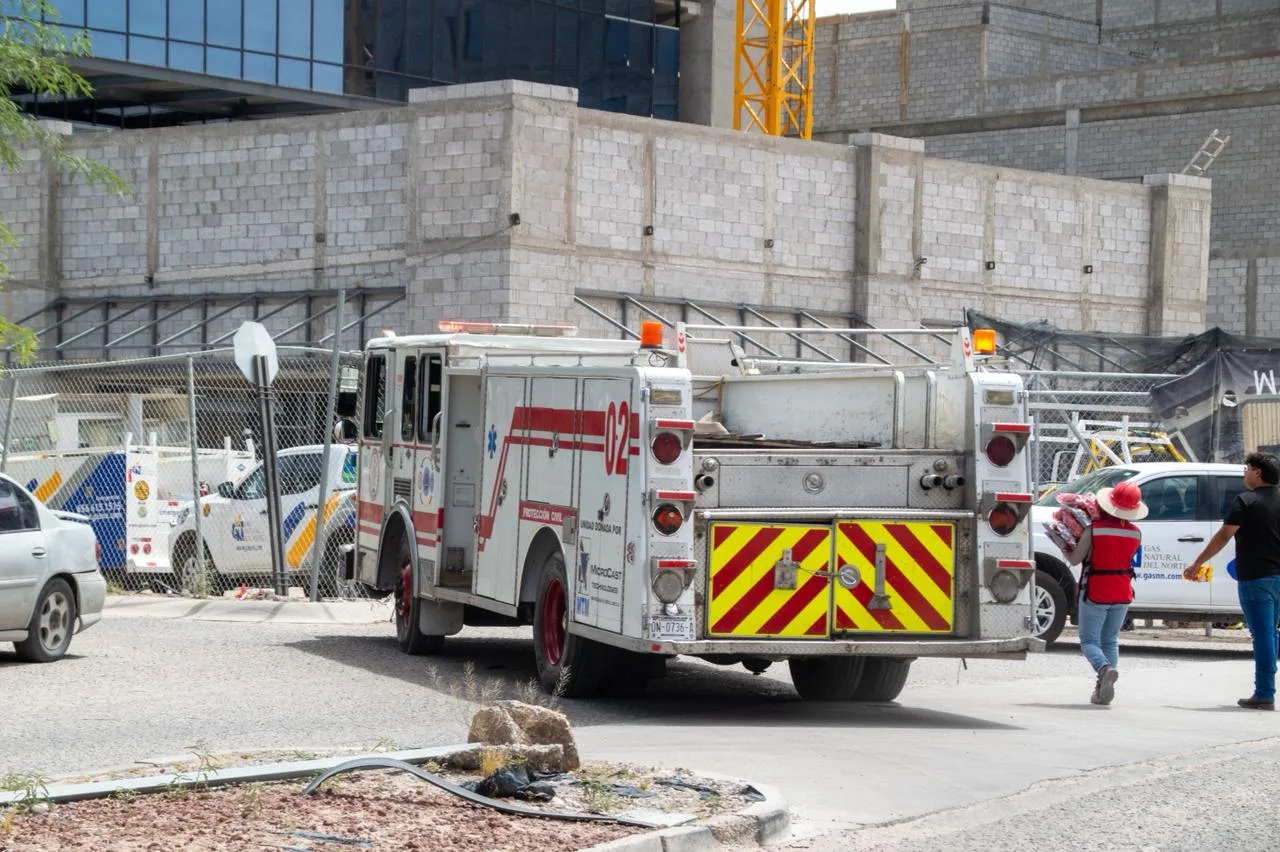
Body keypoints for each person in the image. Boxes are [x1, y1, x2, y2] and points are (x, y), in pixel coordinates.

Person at [1184, 451, 1280, 711]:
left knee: (1263, 636)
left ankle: (1264, 693)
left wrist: (1197, 563)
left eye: (1246, 469)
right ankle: (1266, 686)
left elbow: (1223, 537)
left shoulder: (1245, 501)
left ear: (1258, 472)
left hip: (1255, 578)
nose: (1244, 474)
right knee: (1271, 633)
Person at [1061, 480, 1147, 705]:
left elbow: (1076, 559)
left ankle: (1104, 669)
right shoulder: (1135, 534)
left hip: (1096, 590)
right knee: (1110, 640)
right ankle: (1102, 689)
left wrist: (1064, 547)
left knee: (1089, 640)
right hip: (1122, 592)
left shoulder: (1094, 530)